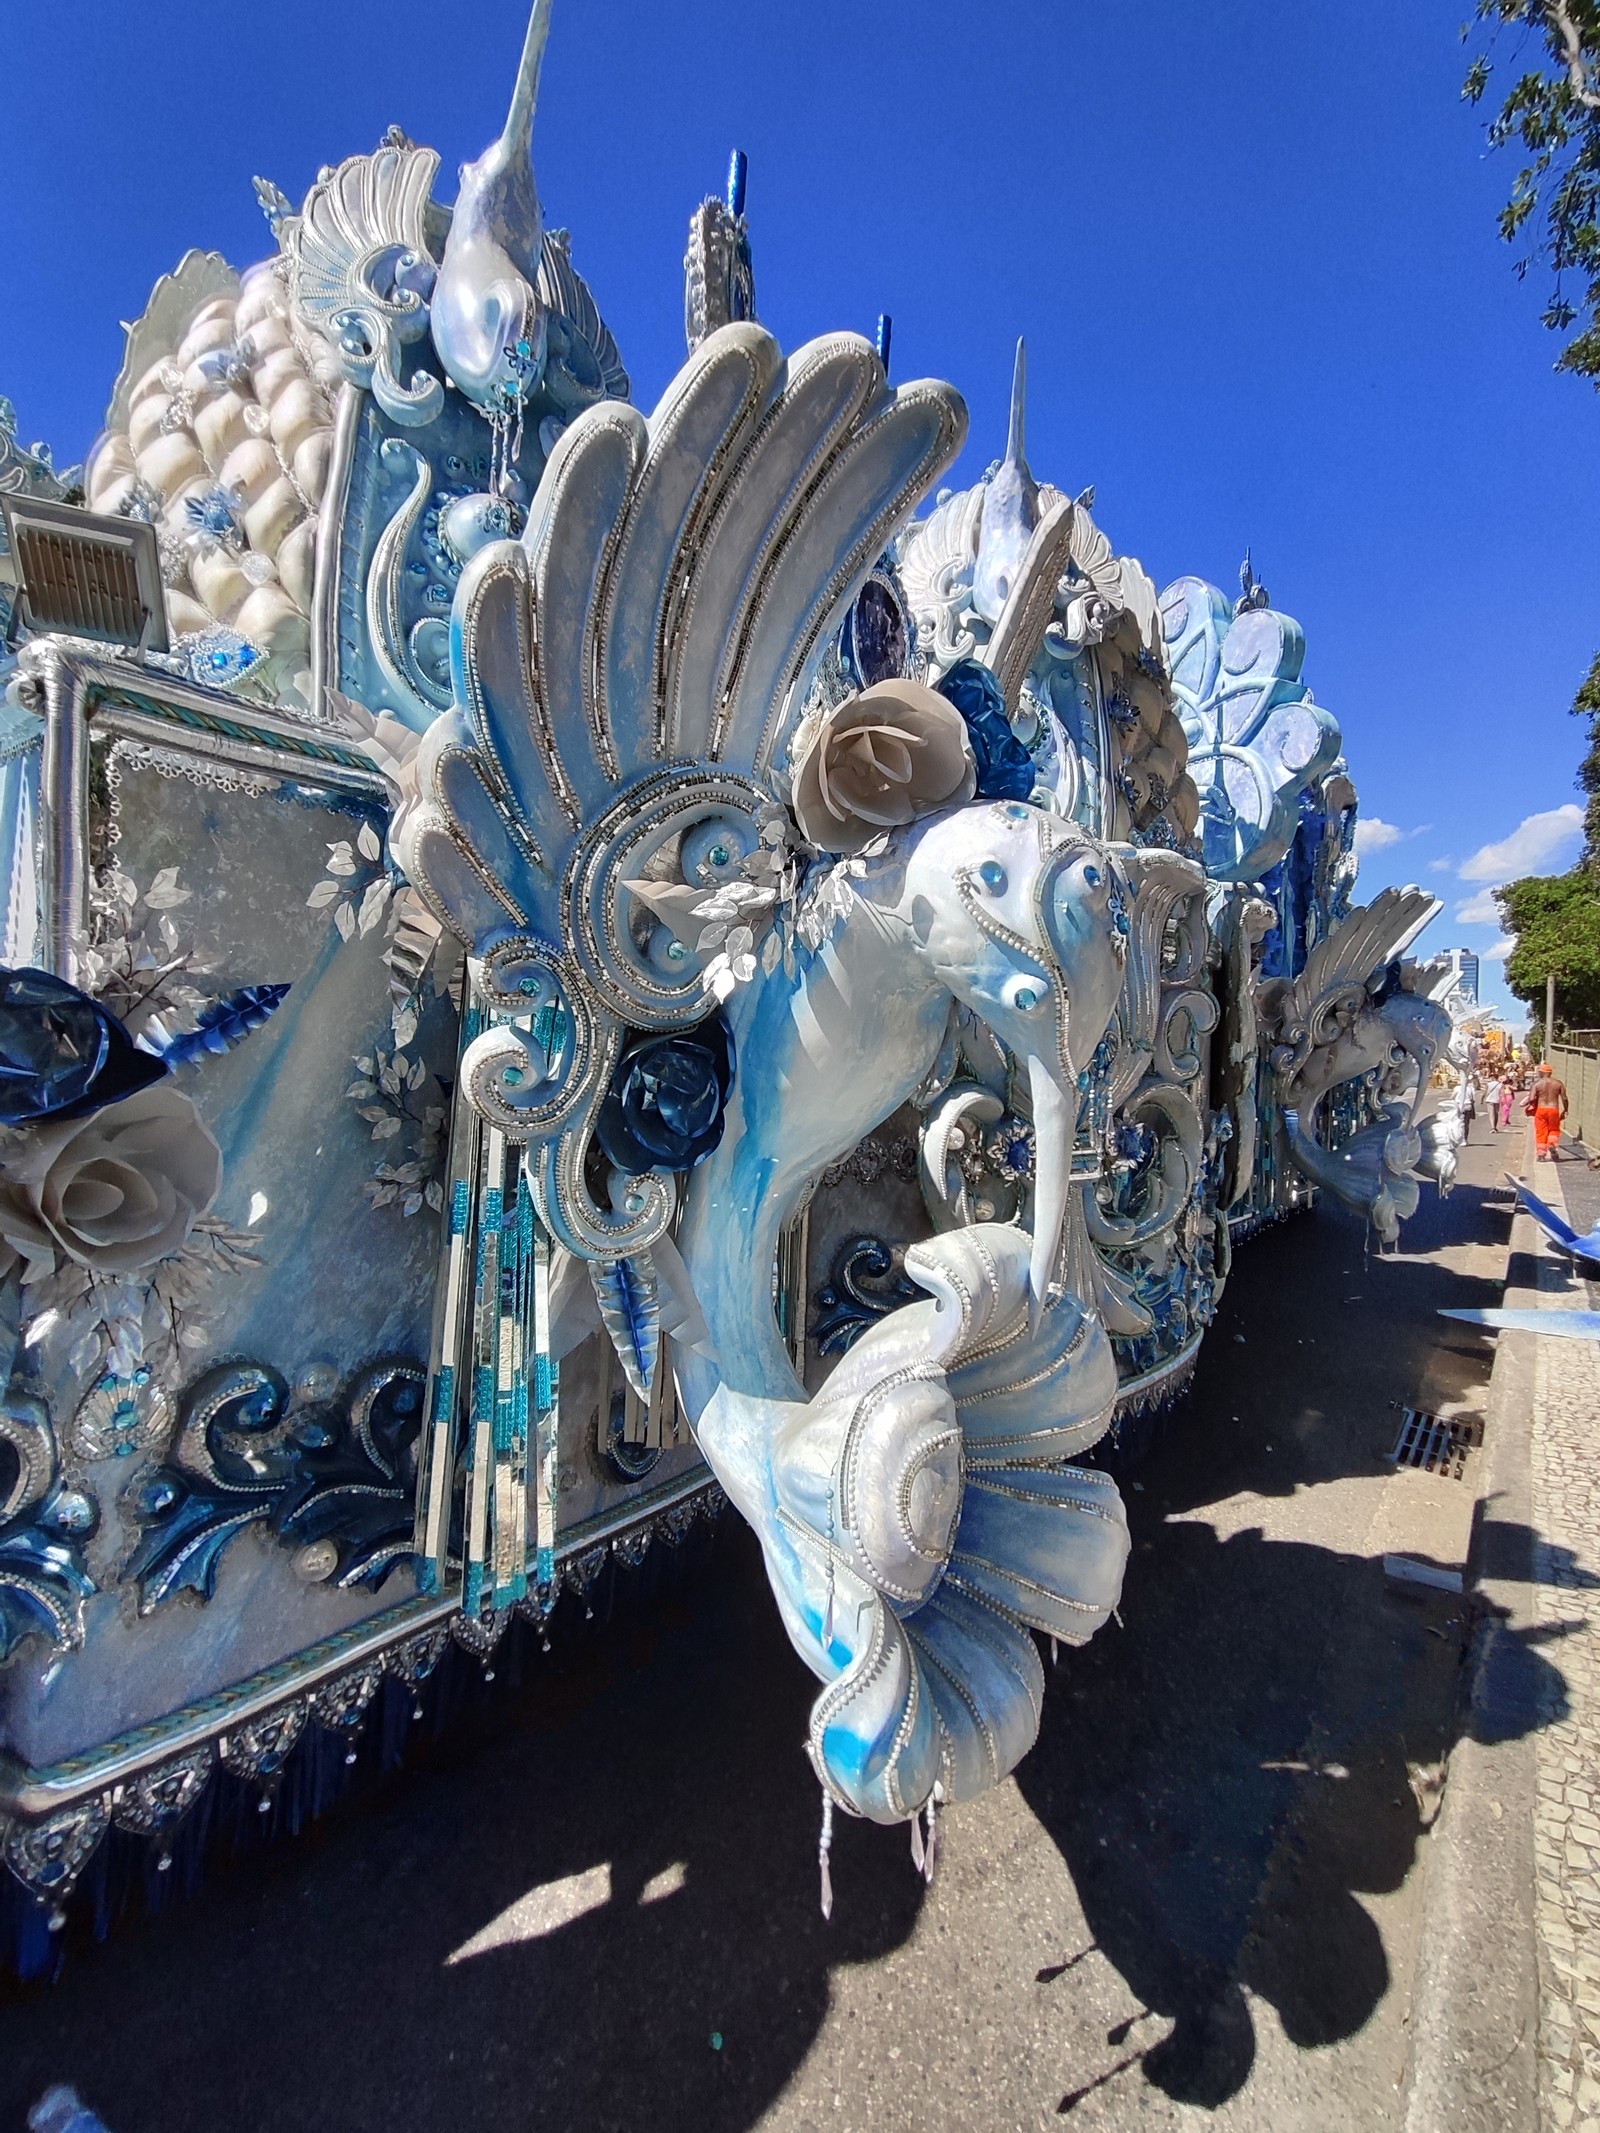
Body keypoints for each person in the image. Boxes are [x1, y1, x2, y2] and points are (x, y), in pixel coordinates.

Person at [1529, 1060, 1569, 1161]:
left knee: (1541, 1131)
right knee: (1554, 1129)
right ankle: (1551, 1145)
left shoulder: (1537, 1084)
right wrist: (1566, 1109)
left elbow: (1531, 1099)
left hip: (1541, 1109)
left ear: (1542, 1073)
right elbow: (1564, 1098)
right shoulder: (1558, 1083)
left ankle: (1541, 1155)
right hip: (1554, 1109)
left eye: (1539, 1072)